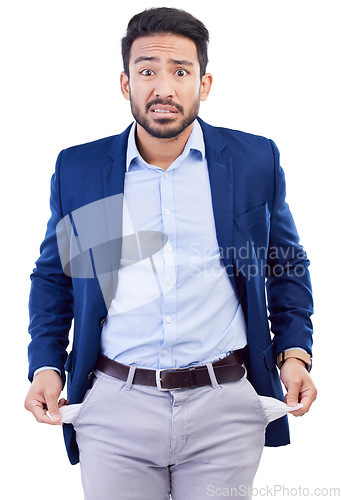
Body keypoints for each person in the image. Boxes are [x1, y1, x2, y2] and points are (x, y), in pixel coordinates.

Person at [24, 7, 317, 500]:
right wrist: (47, 364)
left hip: (224, 407)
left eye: (180, 72)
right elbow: (57, 277)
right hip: (115, 407)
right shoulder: (84, 169)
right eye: (147, 71)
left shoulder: (250, 161)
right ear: (125, 83)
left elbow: (284, 264)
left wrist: (295, 352)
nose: (164, 87)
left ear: (203, 83)